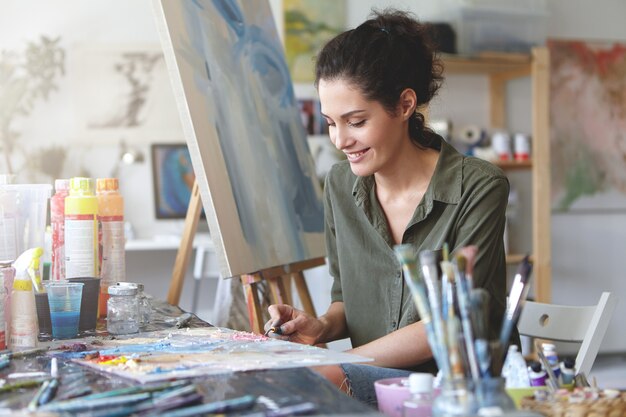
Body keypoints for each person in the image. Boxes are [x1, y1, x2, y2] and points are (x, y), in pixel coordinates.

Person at [265, 9, 512, 406]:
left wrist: (340, 364)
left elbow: (446, 326)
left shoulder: (478, 186)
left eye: (356, 121)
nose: (340, 140)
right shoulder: (340, 185)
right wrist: (321, 327)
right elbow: (348, 297)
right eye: (330, 123)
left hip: (459, 391)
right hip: (371, 385)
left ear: (404, 105)